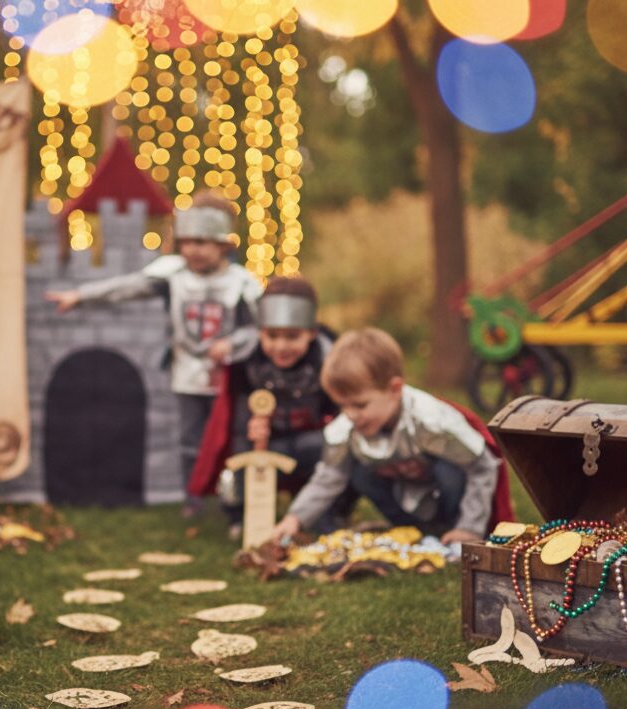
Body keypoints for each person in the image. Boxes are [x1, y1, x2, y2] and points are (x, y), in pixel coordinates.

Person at [45, 191, 263, 517]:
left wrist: (232, 344)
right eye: (187, 242)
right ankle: (195, 500)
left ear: (222, 245)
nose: (192, 250)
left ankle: (236, 508)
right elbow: (126, 287)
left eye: (202, 243)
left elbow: (259, 328)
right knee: (190, 441)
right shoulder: (173, 275)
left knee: (233, 441)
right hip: (187, 372)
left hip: (229, 380)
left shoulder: (242, 283)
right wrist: (80, 296)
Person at [269, 327, 513, 545]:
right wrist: (295, 518)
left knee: (449, 471)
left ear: (395, 390)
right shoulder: (346, 428)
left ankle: (451, 529)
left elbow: (482, 466)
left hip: (447, 494)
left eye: (360, 405)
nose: (351, 414)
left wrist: (469, 527)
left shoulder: (430, 422)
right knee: (360, 474)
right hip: (403, 492)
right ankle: (412, 528)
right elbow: (329, 476)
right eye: (342, 405)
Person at [187, 276, 352, 539]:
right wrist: (252, 431)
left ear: (311, 333)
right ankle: (241, 514)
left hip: (310, 440)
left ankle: (329, 513)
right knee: (240, 452)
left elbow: (341, 418)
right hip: (265, 442)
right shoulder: (248, 362)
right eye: (272, 336)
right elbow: (238, 418)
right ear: (260, 332)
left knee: (338, 449)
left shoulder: (327, 358)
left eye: (292, 336)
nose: (281, 346)